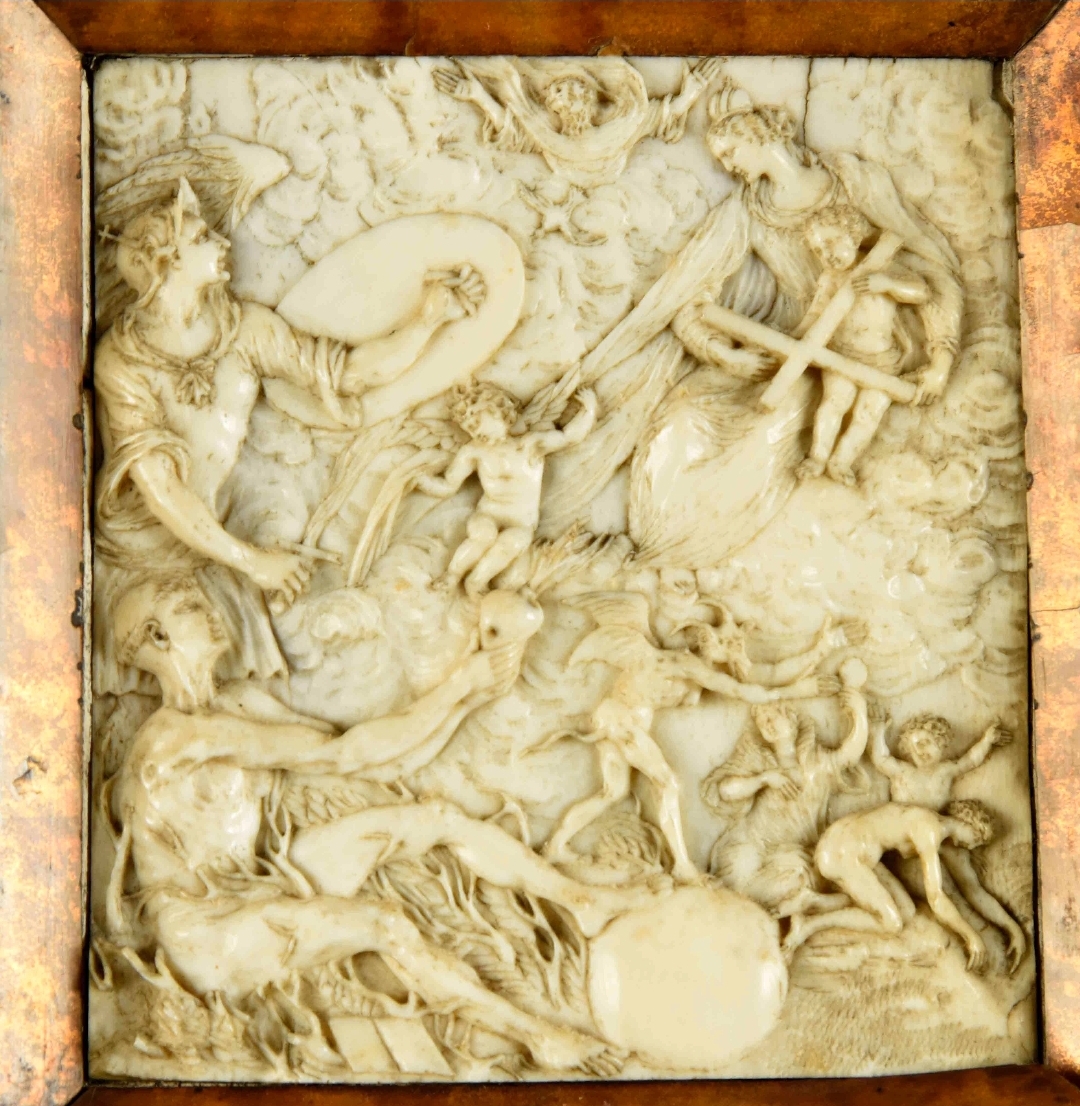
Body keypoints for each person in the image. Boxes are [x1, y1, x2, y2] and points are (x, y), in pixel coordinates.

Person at [102, 575, 663, 1076]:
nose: (208, 609)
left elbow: (376, 756)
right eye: (187, 606)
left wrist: (470, 691)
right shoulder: (175, 739)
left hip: (259, 880)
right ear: (158, 638)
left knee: (434, 818)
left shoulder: (238, 705)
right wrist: (460, 688)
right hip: (208, 932)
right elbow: (345, 755)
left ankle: (582, 902)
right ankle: (537, 1036)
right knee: (384, 924)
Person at [93, 178, 482, 694]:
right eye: (202, 237)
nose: (223, 242)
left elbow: (348, 374)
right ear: (166, 262)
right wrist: (252, 562)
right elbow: (161, 488)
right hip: (143, 559)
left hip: (215, 548)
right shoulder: (123, 362)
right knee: (190, 692)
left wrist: (428, 320)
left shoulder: (245, 330)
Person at [542, 592, 837, 881]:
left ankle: (555, 844)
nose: (736, 651)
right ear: (708, 641)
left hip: (613, 719)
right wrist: (800, 690)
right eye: (729, 644)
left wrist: (817, 653)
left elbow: (757, 676)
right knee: (667, 784)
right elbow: (741, 690)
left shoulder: (685, 668)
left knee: (613, 792)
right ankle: (681, 865)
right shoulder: (687, 664)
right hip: (623, 722)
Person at [871, 712, 1024, 971]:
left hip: (940, 835)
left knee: (970, 885)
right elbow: (881, 759)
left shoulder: (945, 771)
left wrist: (986, 741)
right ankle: (965, 938)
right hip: (909, 845)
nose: (921, 751)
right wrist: (877, 732)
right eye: (915, 745)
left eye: (927, 743)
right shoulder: (903, 771)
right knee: (945, 891)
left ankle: (1007, 928)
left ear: (942, 744)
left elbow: (970, 760)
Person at [702, 682, 869, 919]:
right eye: (762, 722)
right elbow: (726, 790)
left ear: (791, 719)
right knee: (737, 878)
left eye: (772, 717)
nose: (767, 724)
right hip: (751, 844)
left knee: (793, 882)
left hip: (790, 854)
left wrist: (859, 713)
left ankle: (808, 901)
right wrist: (763, 779)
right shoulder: (760, 759)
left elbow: (849, 754)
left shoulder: (816, 764)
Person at [416, 380, 597, 595]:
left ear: (499, 413)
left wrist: (590, 409)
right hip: (489, 513)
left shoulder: (529, 445)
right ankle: (452, 575)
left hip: (521, 520)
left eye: (477, 422)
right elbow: (448, 484)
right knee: (483, 535)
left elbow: (569, 437)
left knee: (514, 542)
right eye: (470, 428)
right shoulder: (474, 452)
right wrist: (423, 481)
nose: (476, 431)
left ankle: (476, 581)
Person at [794, 204, 932, 485]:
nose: (827, 254)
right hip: (843, 353)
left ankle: (842, 461)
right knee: (834, 402)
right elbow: (815, 314)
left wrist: (888, 285)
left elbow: (921, 292)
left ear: (854, 235)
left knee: (869, 413)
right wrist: (796, 338)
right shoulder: (831, 278)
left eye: (832, 242)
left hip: (883, 359)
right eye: (819, 250)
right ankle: (817, 457)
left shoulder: (884, 268)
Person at [784, 800, 998, 973]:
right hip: (840, 851)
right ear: (967, 823)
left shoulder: (930, 822)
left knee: (907, 910)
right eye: (976, 838)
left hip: (856, 851)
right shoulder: (930, 830)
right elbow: (936, 898)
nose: (971, 846)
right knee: (891, 923)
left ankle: (816, 902)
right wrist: (970, 936)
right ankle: (808, 925)